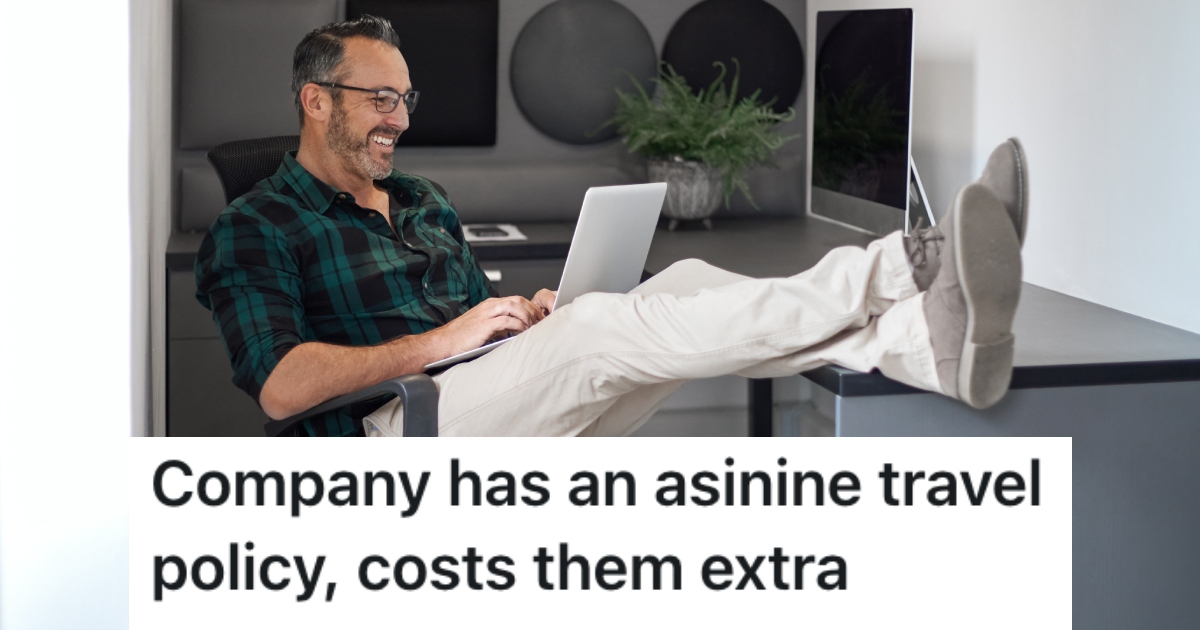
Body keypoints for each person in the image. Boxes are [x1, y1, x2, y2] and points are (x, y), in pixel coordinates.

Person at [196, 15, 1028, 437]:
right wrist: (446, 340)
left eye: (405, 99)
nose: (401, 120)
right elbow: (281, 387)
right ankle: (909, 264)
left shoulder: (419, 198)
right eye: (381, 99)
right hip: (397, 434)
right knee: (602, 327)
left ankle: (925, 348)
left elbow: (469, 326)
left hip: (490, 394)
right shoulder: (255, 225)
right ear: (316, 101)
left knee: (687, 284)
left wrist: (519, 320)